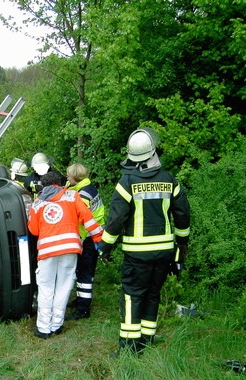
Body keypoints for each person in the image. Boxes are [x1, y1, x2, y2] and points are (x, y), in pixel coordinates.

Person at [98, 128, 190, 357]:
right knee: (152, 294)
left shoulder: (126, 182)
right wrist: (182, 245)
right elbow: (183, 215)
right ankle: (146, 341)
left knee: (132, 296)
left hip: (137, 254)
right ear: (152, 152)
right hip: (165, 252)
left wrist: (105, 248)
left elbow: (116, 220)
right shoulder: (170, 180)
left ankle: (129, 349)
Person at [28, 171, 103, 339]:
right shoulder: (72, 196)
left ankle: (43, 328)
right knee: (63, 286)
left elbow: (33, 230)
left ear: (44, 186)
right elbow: (88, 218)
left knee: (46, 288)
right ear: (60, 183)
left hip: (47, 251)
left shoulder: (38, 203)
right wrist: (100, 238)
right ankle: (57, 325)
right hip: (70, 248)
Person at [66, 163, 105, 319]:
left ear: (75, 177)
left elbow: (83, 220)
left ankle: (83, 310)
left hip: (89, 237)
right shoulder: (87, 187)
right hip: (94, 233)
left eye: (69, 175)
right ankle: (81, 299)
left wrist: (77, 240)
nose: (67, 178)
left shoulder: (84, 196)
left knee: (84, 273)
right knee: (83, 271)